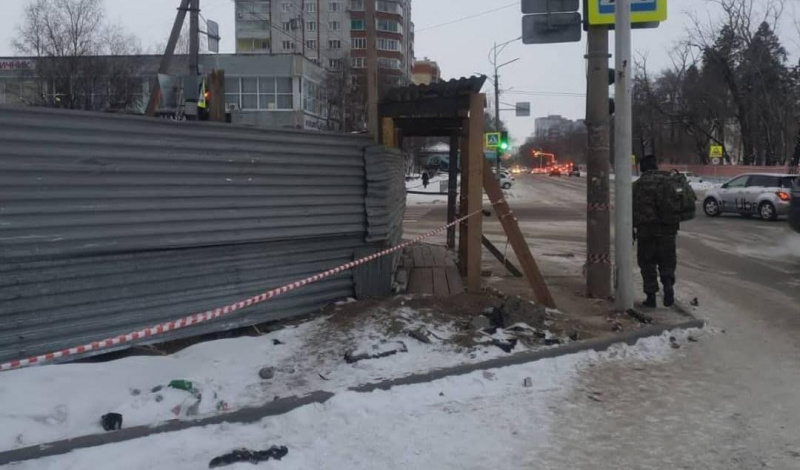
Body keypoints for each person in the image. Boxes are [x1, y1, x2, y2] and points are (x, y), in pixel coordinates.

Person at [632, 155, 679, 308]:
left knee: (647, 264)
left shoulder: (638, 185)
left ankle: (651, 297)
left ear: (642, 168)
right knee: (667, 261)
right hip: (667, 230)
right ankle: (667, 284)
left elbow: (631, 209)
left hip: (646, 231)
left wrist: (631, 229)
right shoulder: (669, 182)